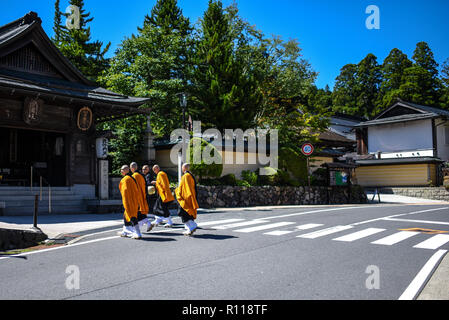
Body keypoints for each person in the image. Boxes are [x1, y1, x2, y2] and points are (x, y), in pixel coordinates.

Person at [147, 165, 175, 232]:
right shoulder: (160, 174)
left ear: (158, 168)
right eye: (153, 170)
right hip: (161, 194)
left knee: (164, 208)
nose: (154, 171)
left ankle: (170, 221)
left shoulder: (161, 174)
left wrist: (155, 182)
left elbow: (164, 184)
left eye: (154, 169)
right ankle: (158, 220)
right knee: (156, 207)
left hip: (164, 194)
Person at [118, 165, 142, 239]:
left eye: (122, 169)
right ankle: (125, 230)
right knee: (126, 216)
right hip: (134, 200)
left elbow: (125, 193)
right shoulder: (131, 178)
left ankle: (138, 233)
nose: (121, 171)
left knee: (132, 216)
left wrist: (125, 203)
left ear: (126, 170)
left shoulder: (125, 179)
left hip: (129, 201)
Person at [175, 163, 199, 236]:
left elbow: (186, 189)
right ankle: (189, 229)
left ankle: (193, 225)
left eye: (182, 168)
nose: (182, 169)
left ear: (184, 168)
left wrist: (177, 191)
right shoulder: (190, 176)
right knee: (187, 214)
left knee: (183, 213)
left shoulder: (186, 176)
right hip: (188, 197)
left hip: (185, 199)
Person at [130, 162, 150, 230]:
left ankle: (134, 229)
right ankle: (146, 223)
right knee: (140, 212)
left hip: (136, 197)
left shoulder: (134, 176)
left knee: (137, 212)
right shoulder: (141, 175)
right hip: (142, 195)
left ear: (132, 168)